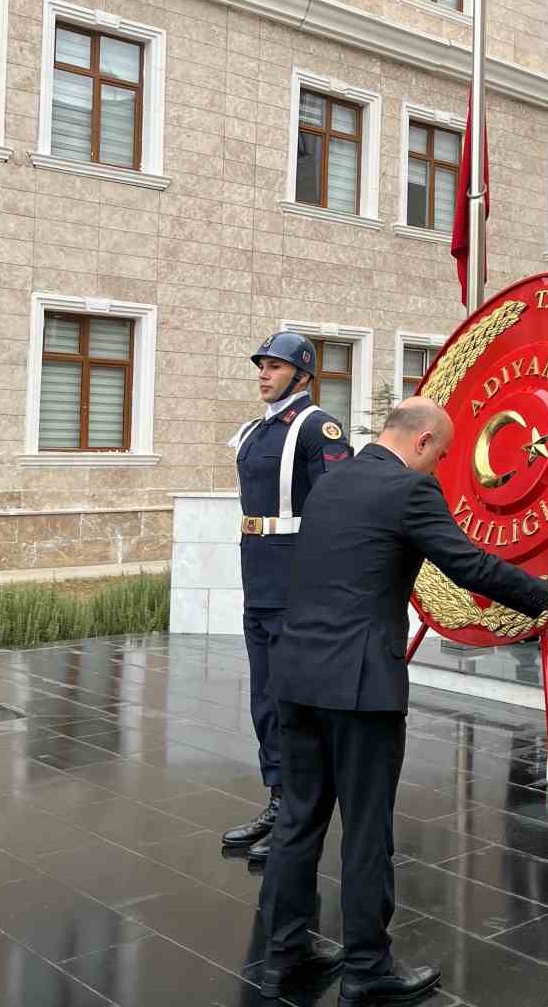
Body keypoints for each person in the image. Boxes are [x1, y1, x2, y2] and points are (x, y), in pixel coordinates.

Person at [256, 398, 548, 1004]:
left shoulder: (331, 485)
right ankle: (366, 969)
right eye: (439, 454)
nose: (437, 467)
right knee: (365, 829)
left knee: (298, 818)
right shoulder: (407, 492)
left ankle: (286, 950)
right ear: (422, 441)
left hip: (297, 676)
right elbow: (467, 565)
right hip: (358, 687)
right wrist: (547, 594)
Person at [221, 331, 353, 862]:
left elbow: (333, 512)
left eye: (274, 366)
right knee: (266, 701)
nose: (263, 374)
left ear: (301, 374)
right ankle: (278, 799)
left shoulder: (318, 428)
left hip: (296, 579)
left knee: (293, 702)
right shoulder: (258, 429)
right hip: (259, 575)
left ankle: (299, 813)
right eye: (261, 365)